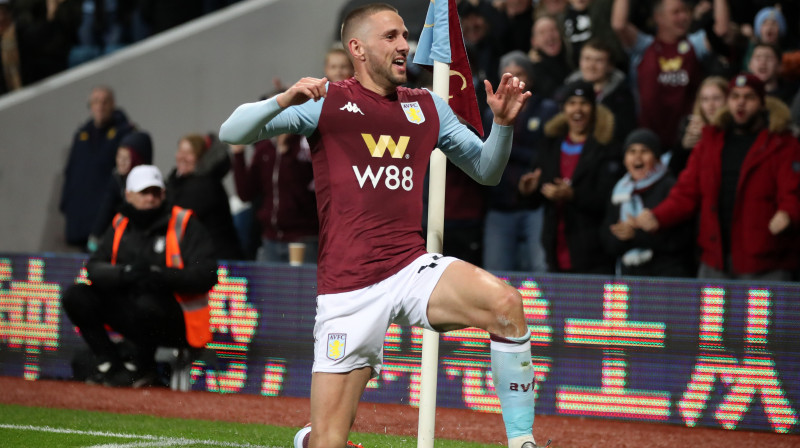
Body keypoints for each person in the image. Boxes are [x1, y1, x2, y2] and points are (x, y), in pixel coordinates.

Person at [219, 4, 547, 448]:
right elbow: (231, 132)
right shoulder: (326, 102)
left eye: (404, 35)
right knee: (329, 441)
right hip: (349, 289)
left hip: (409, 267)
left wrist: (503, 126)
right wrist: (284, 100)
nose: (403, 46)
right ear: (357, 48)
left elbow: (486, 171)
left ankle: (522, 441)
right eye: (390, 36)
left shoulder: (427, 105)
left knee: (506, 304)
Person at [62, 165, 217, 387]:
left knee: (147, 302)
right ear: (129, 195)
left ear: (164, 194)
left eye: (156, 192)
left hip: (177, 323)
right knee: (76, 296)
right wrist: (125, 274)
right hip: (131, 312)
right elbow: (94, 267)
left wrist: (160, 275)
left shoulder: (184, 224)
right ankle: (110, 363)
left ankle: (141, 366)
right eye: (144, 192)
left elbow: (207, 274)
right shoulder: (120, 224)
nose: (151, 198)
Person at [635, 73, 800, 281]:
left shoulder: (783, 145)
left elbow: (793, 191)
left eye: (748, 97)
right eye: (735, 97)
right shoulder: (709, 143)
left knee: (756, 316)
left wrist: (788, 213)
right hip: (715, 260)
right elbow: (686, 192)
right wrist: (659, 216)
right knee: (711, 315)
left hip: (765, 263)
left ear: (762, 104)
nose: (740, 103)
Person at [518, 80, 622, 275]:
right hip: (554, 247)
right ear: (563, 109)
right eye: (572, 103)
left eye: (584, 103)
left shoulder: (606, 148)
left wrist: (573, 195)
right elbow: (534, 200)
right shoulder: (549, 145)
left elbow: (608, 199)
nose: (578, 109)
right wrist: (528, 190)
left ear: (593, 108)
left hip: (595, 252)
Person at [611, 0, 730, 148]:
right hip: (649, 142)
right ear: (658, 17)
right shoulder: (644, 46)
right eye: (676, 12)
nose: (683, 17)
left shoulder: (694, 45)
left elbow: (721, 30)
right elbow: (619, 25)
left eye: (686, 11)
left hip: (688, 141)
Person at [482, 50, 557, 274]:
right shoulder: (489, 115)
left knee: (541, 269)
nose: (514, 79)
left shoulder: (548, 110)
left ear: (530, 78)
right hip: (499, 206)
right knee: (496, 273)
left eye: (520, 73)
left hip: (536, 205)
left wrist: (509, 151)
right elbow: (486, 154)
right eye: (509, 74)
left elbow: (546, 155)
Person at [600, 129, 694, 277]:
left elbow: (681, 238)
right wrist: (620, 235)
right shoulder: (619, 191)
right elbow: (607, 238)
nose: (637, 157)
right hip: (629, 276)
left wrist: (636, 235)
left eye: (644, 151)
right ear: (624, 160)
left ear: (656, 158)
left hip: (666, 277)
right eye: (632, 151)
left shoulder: (670, 187)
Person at [230, 122, 319, 264]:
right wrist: (238, 154)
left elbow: (314, 187)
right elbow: (245, 193)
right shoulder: (264, 150)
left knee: (304, 285)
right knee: (270, 284)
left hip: (304, 236)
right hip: (270, 238)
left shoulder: (304, 146)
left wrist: (290, 148)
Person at [60, 85, 134, 249]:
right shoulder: (82, 135)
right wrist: (66, 207)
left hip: (107, 223)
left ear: (113, 104)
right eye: (95, 102)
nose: (100, 106)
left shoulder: (125, 133)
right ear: (90, 106)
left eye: (105, 102)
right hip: (79, 220)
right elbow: (71, 173)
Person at [166, 133, 244, 260]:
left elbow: (175, 212)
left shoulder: (206, 185)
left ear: (201, 158)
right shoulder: (181, 181)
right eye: (180, 151)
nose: (182, 157)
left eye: (189, 153)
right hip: (205, 257)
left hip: (218, 261)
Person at [87, 130, 154, 252]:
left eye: (127, 158)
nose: (121, 163)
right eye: (119, 157)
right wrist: (95, 235)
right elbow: (106, 208)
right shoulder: (117, 179)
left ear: (137, 159)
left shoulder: (151, 184)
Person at [562, 38, 636, 142]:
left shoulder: (623, 96)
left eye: (598, 60)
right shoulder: (565, 91)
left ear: (610, 66)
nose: (591, 66)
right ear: (579, 61)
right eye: (587, 59)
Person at [670, 75, 728, 176]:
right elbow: (674, 172)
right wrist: (684, 147)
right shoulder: (689, 125)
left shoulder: (735, 128)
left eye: (716, 98)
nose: (710, 104)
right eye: (705, 99)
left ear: (728, 100)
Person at [528, 14, 572, 101]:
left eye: (553, 30)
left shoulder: (573, 57)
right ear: (534, 42)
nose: (549, 36)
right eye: (542, 32)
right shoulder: (533, 68)